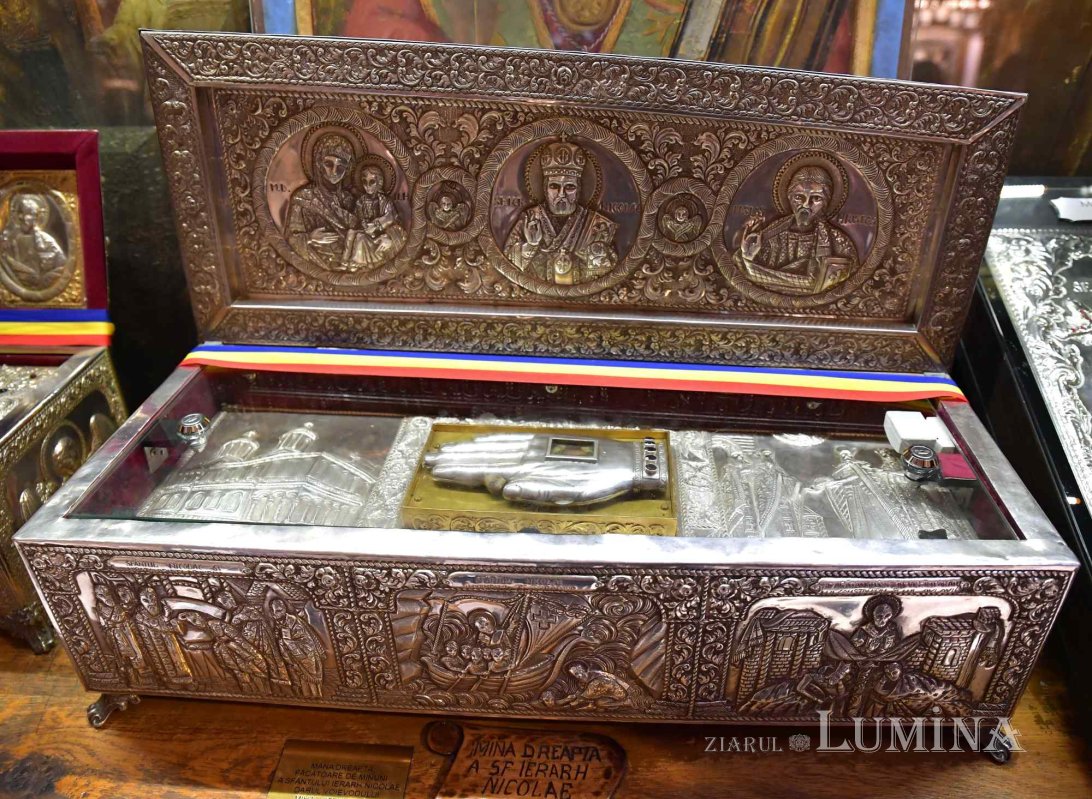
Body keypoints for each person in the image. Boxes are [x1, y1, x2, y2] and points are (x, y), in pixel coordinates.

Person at [503, 140, 617, 285]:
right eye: (554, 186)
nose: (561, 194)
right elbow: (506, 263)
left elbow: (608, 272)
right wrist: (531, 245)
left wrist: (598, 257)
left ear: (579, 190)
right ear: (545, 189)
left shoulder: (597, 224)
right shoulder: (530, 218)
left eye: (569, 187)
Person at [737, 164, 858, 294]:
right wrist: (747, 256)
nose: (806, 205)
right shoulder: (769, 236)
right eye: (799, 197)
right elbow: (740, 273)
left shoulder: (839, 242)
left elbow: (850, 285)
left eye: (816, 198)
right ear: (789, 198)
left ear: (826, 203)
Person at [285, 132, 359, 268]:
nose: (334, 171)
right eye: (328, 164)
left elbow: (360, 232)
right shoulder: (302, 198)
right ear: (319, 163)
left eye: (341, 166)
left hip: (349, 264)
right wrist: (309, 238)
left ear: (348, 169)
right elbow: (289, 240)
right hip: (315, 263)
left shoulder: (349, 200)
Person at [344, 163, 405, 269]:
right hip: (366, 233)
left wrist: (378, 227)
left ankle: (357, 261)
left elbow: (391, 219)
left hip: (380, 237)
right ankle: (344, 261)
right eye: (364, 182)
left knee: (360, 237)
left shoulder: (385, 202)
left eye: (372, 182)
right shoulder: (360, 202)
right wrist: (362, 223)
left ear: (379, 182)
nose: (367, 186)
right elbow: (357, 219)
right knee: (352, 233)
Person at [0, 194, 66, 290]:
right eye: (20, 213)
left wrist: (46, 278)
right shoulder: (9, 240)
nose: (23, 217)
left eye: (29, 214)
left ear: (36, 217)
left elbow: (62, 267)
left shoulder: (47, 241)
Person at [269, 598, 325, 698]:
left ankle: (315, 699)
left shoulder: (295, 623)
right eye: (272, 611)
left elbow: (307, 643)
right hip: (292, 658)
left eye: (278, 611)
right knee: (300, 682)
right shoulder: (279, 623)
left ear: (284, 609)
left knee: (310, 682)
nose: (274, 614)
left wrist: (286, 641)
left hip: (305, 656)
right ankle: (305, 699)